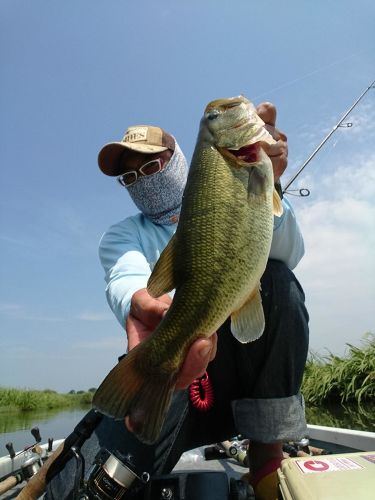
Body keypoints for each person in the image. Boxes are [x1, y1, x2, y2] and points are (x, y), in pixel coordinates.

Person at [45, 103, 309, 500]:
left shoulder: (242, 182)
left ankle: (266, 452)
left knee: (279, 281)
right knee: (88, 486)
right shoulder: (121, 235)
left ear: (177, 161)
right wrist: (140, 305)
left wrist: (270, 187)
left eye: (150, 167)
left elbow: (289, 252)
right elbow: (127, 281)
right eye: (129, 177)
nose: (141, 181)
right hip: (174, 370)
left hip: (240, 367)